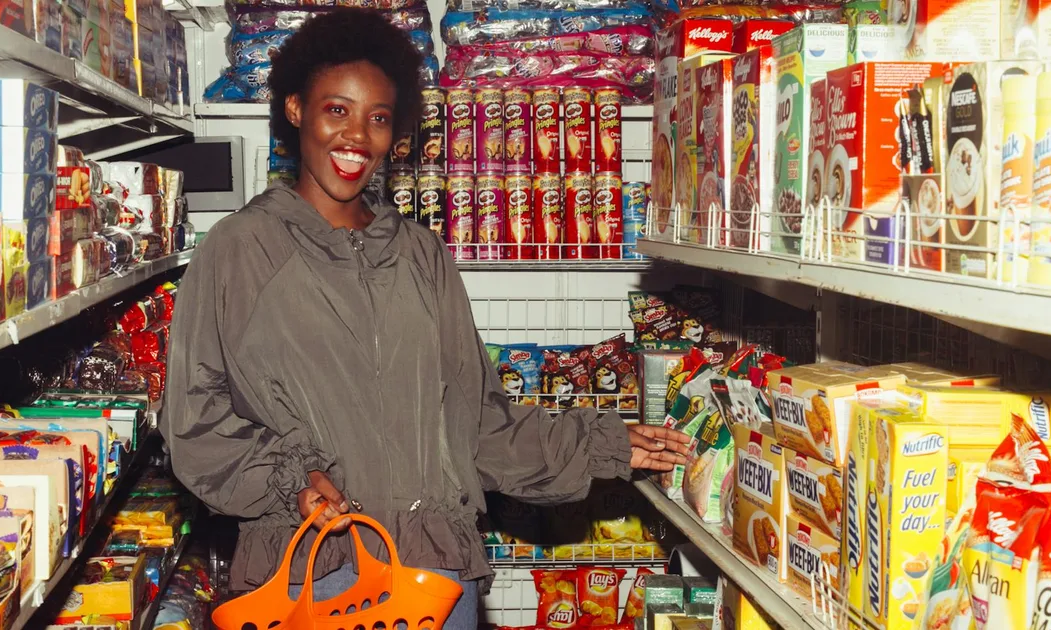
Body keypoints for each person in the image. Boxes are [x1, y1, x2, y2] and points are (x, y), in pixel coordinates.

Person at [163, 9, 689, 627]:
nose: (357, 137)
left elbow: (477, 424)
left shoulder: (421, 253)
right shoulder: (238, 250)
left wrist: (603, 442)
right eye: (337, 110)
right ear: (296, 109)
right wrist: (289, 478)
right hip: (311, 576)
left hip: (433, 579)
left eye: (378, 118)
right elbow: (193, 423)